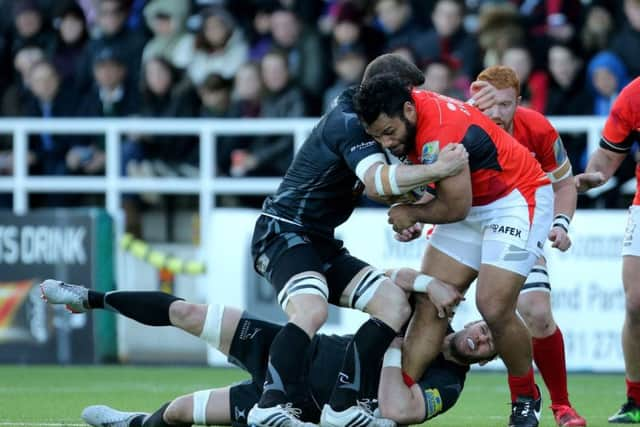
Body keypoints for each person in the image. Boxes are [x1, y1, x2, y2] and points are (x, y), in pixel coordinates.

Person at [245, 53, 471, 427]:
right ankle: (269, 405)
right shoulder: (350, 122)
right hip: (282, 231)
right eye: (413, 96)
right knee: (311, 310)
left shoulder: (369, 122)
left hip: (318, 240)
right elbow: (375, 180)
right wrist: (440, 169)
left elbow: (382, 187)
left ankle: (344, 406)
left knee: (393, 305)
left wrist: (409, 210)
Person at [353, 73, 554, 427]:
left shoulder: (438, 133)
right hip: (473, 201)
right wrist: (414, 206)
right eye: (377, 137)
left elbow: (456, 208)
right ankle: (395, 398)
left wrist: (411, 212)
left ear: (407, 110)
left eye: (389, 132)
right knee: (430, 302)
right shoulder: (406, 112)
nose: (387, 142)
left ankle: (525, 395)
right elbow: (443, 194)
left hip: (516, 199)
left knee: (492, 305)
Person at [39, 278, 497, 427]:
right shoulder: (436, 319)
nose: (479, 337)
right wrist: (424, 283)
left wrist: (395, 348)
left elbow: (398, 408)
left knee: (179, 413)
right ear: (474, 318)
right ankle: (88, 297)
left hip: (301, 406)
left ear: (487, 359)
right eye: (484, 327)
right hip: (294, 349)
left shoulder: (449, 387)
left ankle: (136, 424)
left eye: (489, 344)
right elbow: (395, 280)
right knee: (189, 312)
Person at [474, 66, 585, 427]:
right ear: (477, 99)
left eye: (506, 104)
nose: (496, 113)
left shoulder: (537, 128)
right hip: (465, 224)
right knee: (427, 308)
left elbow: (564, 185)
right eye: (489, 104)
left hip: (518, 225)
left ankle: (560, 407)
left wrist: (561, 224)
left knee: (536, 310)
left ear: (519, 102)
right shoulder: (459, 123)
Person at [574, 76, 640, 424]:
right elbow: (606, 160)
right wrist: (586, 179)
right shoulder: (634, 95)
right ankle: (635, 399)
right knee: (635, 302)